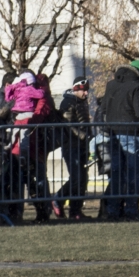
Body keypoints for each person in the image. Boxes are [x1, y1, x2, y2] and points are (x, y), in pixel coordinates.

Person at [100, 59, 139, 220]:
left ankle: (113, 210)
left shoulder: (111, 85)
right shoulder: (137, 87)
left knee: (116, 175)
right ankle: (131, 210)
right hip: (131, 134)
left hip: (112, 134)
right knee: (132, 175)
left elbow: (103, 109)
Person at [55, 78, 93, 219]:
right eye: (84, 90)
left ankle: (75, 210)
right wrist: (83, 135)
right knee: (76, 177)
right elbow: (68, 125)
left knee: (83, 178)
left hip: (82, 145)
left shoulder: (82, 102)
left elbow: (84, 123)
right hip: (71, 145)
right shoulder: (68, 102)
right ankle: (58, 199)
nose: (86, 93)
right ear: (76, 89)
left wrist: (89, 136)